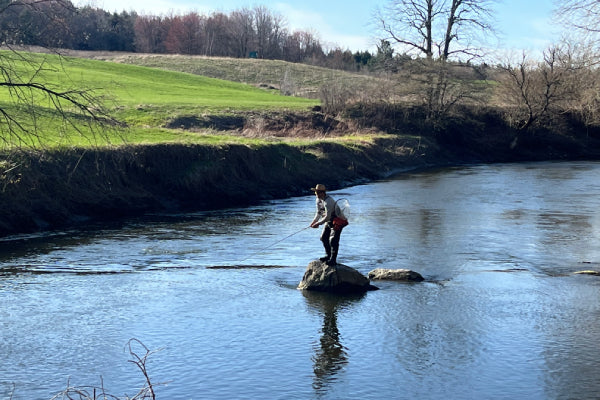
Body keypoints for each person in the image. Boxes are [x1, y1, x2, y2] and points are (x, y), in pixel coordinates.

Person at [310, 184, 343, 266]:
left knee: (333, 240)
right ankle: (328, 256)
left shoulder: (328, 201)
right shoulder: (318, 200)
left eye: (319, 192)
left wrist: (318, 223)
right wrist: (314, 221)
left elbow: (327, 217)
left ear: (323, 193)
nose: (317, 194)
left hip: (338, 220)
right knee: (324, 238)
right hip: (328, 221)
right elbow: (319, 212)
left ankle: (333, 260)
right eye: (316, 192)